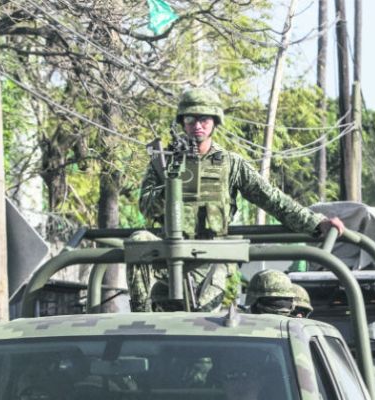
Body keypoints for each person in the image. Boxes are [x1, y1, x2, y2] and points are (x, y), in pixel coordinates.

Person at [128, 87, 345, 312]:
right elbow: (145, 206)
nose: (197, 125)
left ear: (214, 122)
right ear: (182, 122)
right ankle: (139, 316)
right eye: (190, 119)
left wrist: (316, 223)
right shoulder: (165, 163)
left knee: (200, 325)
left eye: (204, 119)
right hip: (167, 255)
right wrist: (172, 182)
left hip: (209, 258)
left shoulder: (230, 164)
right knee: (138, 240)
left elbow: (271, 198)